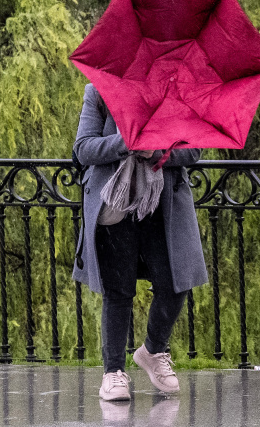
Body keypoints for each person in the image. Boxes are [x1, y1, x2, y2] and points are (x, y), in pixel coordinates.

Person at [73, 83, 208, 401]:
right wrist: (128, 144)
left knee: (176, 284)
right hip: (114, 205)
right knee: (118, 290)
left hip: (165, 206)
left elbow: (193, 150)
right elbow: (84, 148)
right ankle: (113, 373)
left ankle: (152, 351)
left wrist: (157, 151)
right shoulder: (100, 91)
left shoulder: (178, 93)